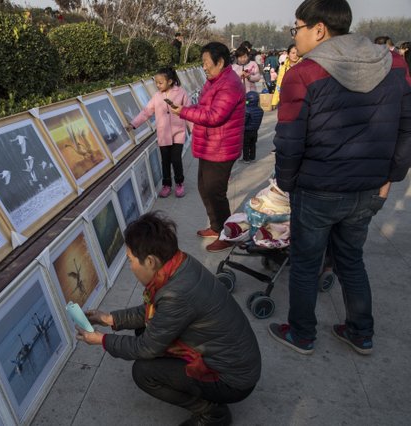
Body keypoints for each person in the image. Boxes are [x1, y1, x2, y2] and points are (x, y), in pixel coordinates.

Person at [269, 0, 411, 356]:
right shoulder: (395, 64)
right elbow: (406, 129)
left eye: (296, 27)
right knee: (351, 259)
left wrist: (287, 184)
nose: (295, 36)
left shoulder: (303, 73)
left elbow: (288, 140)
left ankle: (302, 334)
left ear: (319, 29)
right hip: (369, 188)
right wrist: (390, 178)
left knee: (305, 263)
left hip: (317, 190)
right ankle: (361, 332)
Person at [75, 212, 261, 426]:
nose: (131, 267)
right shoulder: (179, 264)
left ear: (151, 261)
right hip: (236, 360)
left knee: (144, 372)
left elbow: (146, 348)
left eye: (131, 260)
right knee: (144, 329)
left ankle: (211, 414)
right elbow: (150, 313)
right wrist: (108, 319)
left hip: (232, 380)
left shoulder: (176, 294)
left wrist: (101, 340)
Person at [169, 41, 245, 253]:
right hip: (210, 145)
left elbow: (214, 116)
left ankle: (227, 234)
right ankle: (216, 226)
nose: (203, 66)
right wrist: (184, 108)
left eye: (205, 62)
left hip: (221, 147)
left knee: (215, 191)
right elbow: (203, 107)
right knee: (204, 187)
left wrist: (183, 112)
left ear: (220, 62)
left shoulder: (229, 84)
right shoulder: (214, 80)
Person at [128, 67, 190, 198]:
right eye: (156, 82)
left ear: (170, 81)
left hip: (178, 133)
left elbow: (189, 112)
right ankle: (166, 185)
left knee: (176, 160)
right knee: (165, 161)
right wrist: (134, 124)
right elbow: (146, 112)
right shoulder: (156, 97)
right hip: (163, 135)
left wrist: (195, 129)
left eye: (160, 82)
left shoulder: (181, 93)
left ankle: (179, 183)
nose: (157, 85)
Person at [242, 91, 264, 163]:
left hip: (247, 130)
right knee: (253, 144)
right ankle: (252, 157)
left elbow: (244, 121)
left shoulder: (247, 110)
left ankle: (246, 159)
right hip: (255, 130)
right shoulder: (260, 110)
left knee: (246, 145)